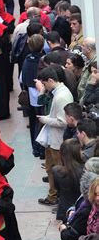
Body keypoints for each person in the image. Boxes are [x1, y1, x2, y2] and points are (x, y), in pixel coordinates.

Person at [35, 66, 74, 206]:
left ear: (50, 80)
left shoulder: (60, 96)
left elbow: (63, 121)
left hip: (57, 140)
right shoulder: (60, 92)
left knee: (57, 170)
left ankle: (57, 197)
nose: (44, 87)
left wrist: (45, 119)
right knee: (51, 167)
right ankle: (53, 195)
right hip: (53, 139)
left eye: (44, 84)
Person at [53, 139, 85, 222]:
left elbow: (57, 189)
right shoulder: (85, 171)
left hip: (64, 208)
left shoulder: (57, 171)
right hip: (81, 208)